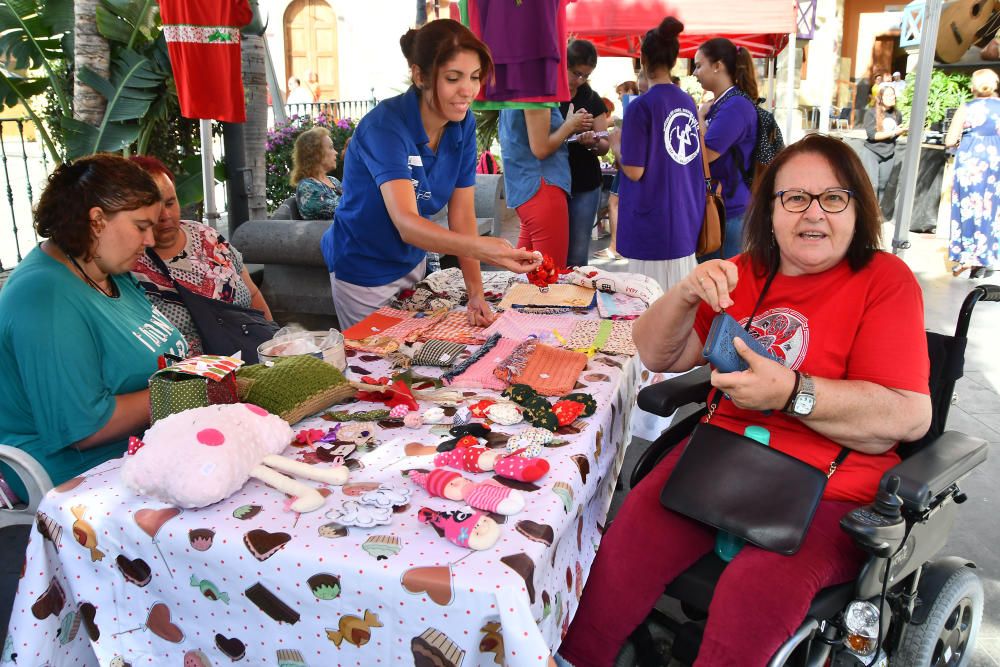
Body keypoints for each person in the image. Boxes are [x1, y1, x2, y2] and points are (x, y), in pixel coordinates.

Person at [555, 134, 932, 667]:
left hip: (833, 487)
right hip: (724, 461)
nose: (813, 213)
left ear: (858, 207)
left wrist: (791, 393)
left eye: (833, 197)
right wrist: (684, 294)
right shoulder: (748, 270)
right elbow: (657, 352)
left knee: (753, 594)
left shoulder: (883, 281)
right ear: (771, 210)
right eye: (794, 198)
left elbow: (910, 416)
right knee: (623, 550)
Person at [321, 19, 540, 329]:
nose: (467, 90)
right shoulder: (385, 127)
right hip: (364, 270)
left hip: (413, 262)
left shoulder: (462, 123)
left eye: (474, 77)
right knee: (380, 366)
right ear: (420, 75)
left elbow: (462, 212)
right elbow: (407, 223)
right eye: (453, 78)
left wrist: (476, 293)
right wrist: (484, 249)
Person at [0, 154, 190, 497]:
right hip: (77, 475)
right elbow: (84, 427)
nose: (149, 240)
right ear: (97, 220)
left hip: (144, 448)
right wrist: (185, 391)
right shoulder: (45, 298)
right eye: (141, 226)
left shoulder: (110, 272)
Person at [130, 156, 272, 356]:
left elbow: (254, 295)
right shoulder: (130, 265)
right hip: (195, 382)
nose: (165, 216)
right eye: (153, 209)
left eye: (170, 203)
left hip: (254, 362)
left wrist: (273, 345)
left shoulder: (208, 236)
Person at [607, 18, 705, 292]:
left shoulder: (642, 106)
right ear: (673, 60)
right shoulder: (686, 101)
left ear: (643, 57)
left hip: (652, 223)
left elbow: (635, 170)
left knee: (649, 308)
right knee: (682, 309)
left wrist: (616, 145)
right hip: (684, 217)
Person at [499, 90, 592, 269]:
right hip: (542, 187)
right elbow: (541, 149)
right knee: (550, 278)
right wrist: (570, 125)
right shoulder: (536, 89)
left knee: (525, 275)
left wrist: (568, 124)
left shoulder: (514, 89)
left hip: (526, 188)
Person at [693, 37, 760, 260]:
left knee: (720, 286)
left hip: (727, 211)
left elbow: (707, 154)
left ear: (717, 66)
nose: (695, 73)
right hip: (721, 207)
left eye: (699, 65)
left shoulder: (735, 106)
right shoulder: (724, 103)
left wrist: (700, 117)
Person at [945, 68, 1000, 278]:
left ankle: (966, 256)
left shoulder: (966, 108)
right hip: (994, 163)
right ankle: (983, 259)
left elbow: (950, 139)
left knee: (967, 208)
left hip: (970, 163)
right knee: (990, 209)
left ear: (973, 87)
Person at [560, 39, 610, 267]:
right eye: (576, 73)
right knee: (551, 251)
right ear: (563, 64)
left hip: (585, 183)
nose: (579, 80)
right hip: (552, 182)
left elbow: (604, 145)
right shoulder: (546, 96)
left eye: (585, 76)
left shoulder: (591, 98)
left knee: (578, 255)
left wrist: (592, 142)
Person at [595, 79, 643, 261]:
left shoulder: (631, 110)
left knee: (614, 204)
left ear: (631, 90)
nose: (619, 97)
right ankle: (619, 245)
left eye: (621, 92)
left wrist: (615, 145)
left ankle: (616, 246)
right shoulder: (634, 110)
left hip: (627, 164)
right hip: (627, 163)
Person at [861, 85, 906, 210]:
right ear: (880, 98)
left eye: (893, 95)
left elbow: (895, 136)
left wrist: (898, 132)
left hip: (888, 153)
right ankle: (868, 213)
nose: (892, 98)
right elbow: (872, 135)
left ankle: (876, 212)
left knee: (882, 185)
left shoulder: (897, 114)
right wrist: (893, 133)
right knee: (872, 185)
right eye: (888, 95)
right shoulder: (871, 113)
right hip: (872, 152)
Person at [291, 126, 344, 220]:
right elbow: (343, 210)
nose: (336, 152)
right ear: (316, 153)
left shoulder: (333, 181)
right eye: (331, 147)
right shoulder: (307, 186)